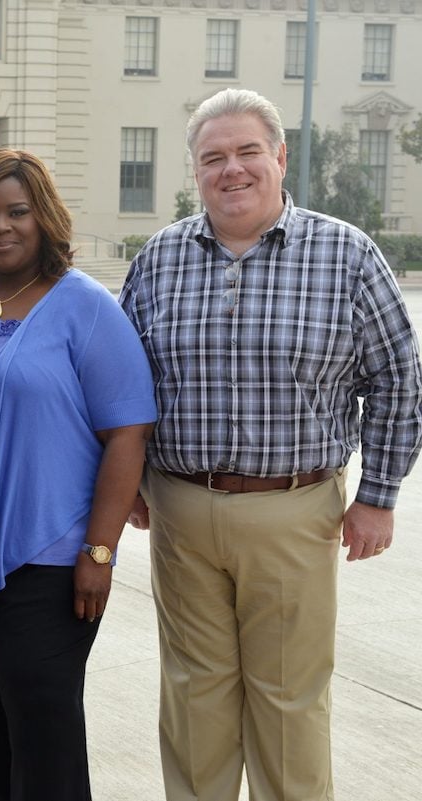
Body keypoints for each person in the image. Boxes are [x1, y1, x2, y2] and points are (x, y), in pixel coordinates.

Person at [119, 88, 422, 801]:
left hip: (295, 510)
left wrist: (377, 497)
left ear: (280, 158)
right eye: (213, 157)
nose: (233, 170)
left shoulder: (346, 254)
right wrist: (127, 483)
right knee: (194, 698)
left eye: (248, 152)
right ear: (195, 172)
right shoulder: (160, 258)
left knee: (288, 701)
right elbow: (123, 384)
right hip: (182, 512)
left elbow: (400, 384)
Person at [0, 149, 155, 800]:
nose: (0, 226)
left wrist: (100, 549)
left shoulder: (85, 306)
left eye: (17, 211)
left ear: (45, 217)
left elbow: (127, 435)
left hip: (55, 560)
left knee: (44, 729)